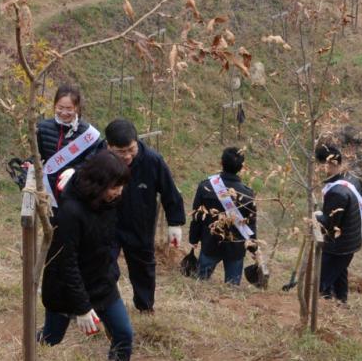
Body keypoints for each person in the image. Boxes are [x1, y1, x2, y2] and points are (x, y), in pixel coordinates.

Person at [39, 150, 134, 361]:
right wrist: (81, 307)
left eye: (121, 186)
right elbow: (66, 264)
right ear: (97, 185)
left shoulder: (108, 202)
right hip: (66, 288)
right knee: (51, 338)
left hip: (102, 283)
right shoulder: (70, 213)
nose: (119, 192)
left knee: (123, 334)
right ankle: (29, 359)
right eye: (114, 187)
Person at [104, 119, 185, 313]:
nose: (127, 156)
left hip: (140, 223)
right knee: (103, 265)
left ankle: (145, 306)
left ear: (136, 142)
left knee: (143, 269)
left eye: (131, 149)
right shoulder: (99, 158)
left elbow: (169, 191)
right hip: (107, 223)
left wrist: (175, 223)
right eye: (120, 152)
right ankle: (107, 306)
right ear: (108, 146)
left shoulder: (152, 160)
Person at [189, 147, 257, 285]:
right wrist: (253, 248)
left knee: (199, 285)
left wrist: (193, 239)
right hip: (236, 248)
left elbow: (197, 215)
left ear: (221, 162)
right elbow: (250, 223)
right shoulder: (248, 194)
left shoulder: (206, 186)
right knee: (232, 290)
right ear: (242, 167)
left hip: (210, 242)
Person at [314, 142, 362, 303]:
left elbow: (330, 224)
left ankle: (324, 305)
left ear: (328, 164)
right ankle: (341, 301)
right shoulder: (349, 178)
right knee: (339, 273)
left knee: (323, 279)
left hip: (339, 245)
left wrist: (316, 216)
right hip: (350, 241)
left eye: (319, 164)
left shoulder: (337, 192)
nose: (318, 169)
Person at [34, 83, 100, 200]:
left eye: (69, 109)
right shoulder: (42, 128)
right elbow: (38, 156)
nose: (64, 113)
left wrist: (76, 171)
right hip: (47, 193)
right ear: (54, 106)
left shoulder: (88, 135)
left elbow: (93, 163)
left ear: (77, 107)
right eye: (60, 108)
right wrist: (28, 163)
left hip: (75, 195)